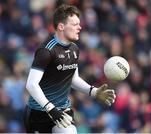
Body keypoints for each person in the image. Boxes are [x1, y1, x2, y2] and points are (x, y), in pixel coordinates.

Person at [24, 4, 116, 133]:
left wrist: (94, 92)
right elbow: (31, 84)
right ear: (61, 26)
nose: (79, 27)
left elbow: (73, 79)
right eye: (74, 24)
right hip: (39, 113)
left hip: (62, 111)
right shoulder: (46, 51)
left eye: (79, 24)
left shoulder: (74, 49)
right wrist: (51, 109)